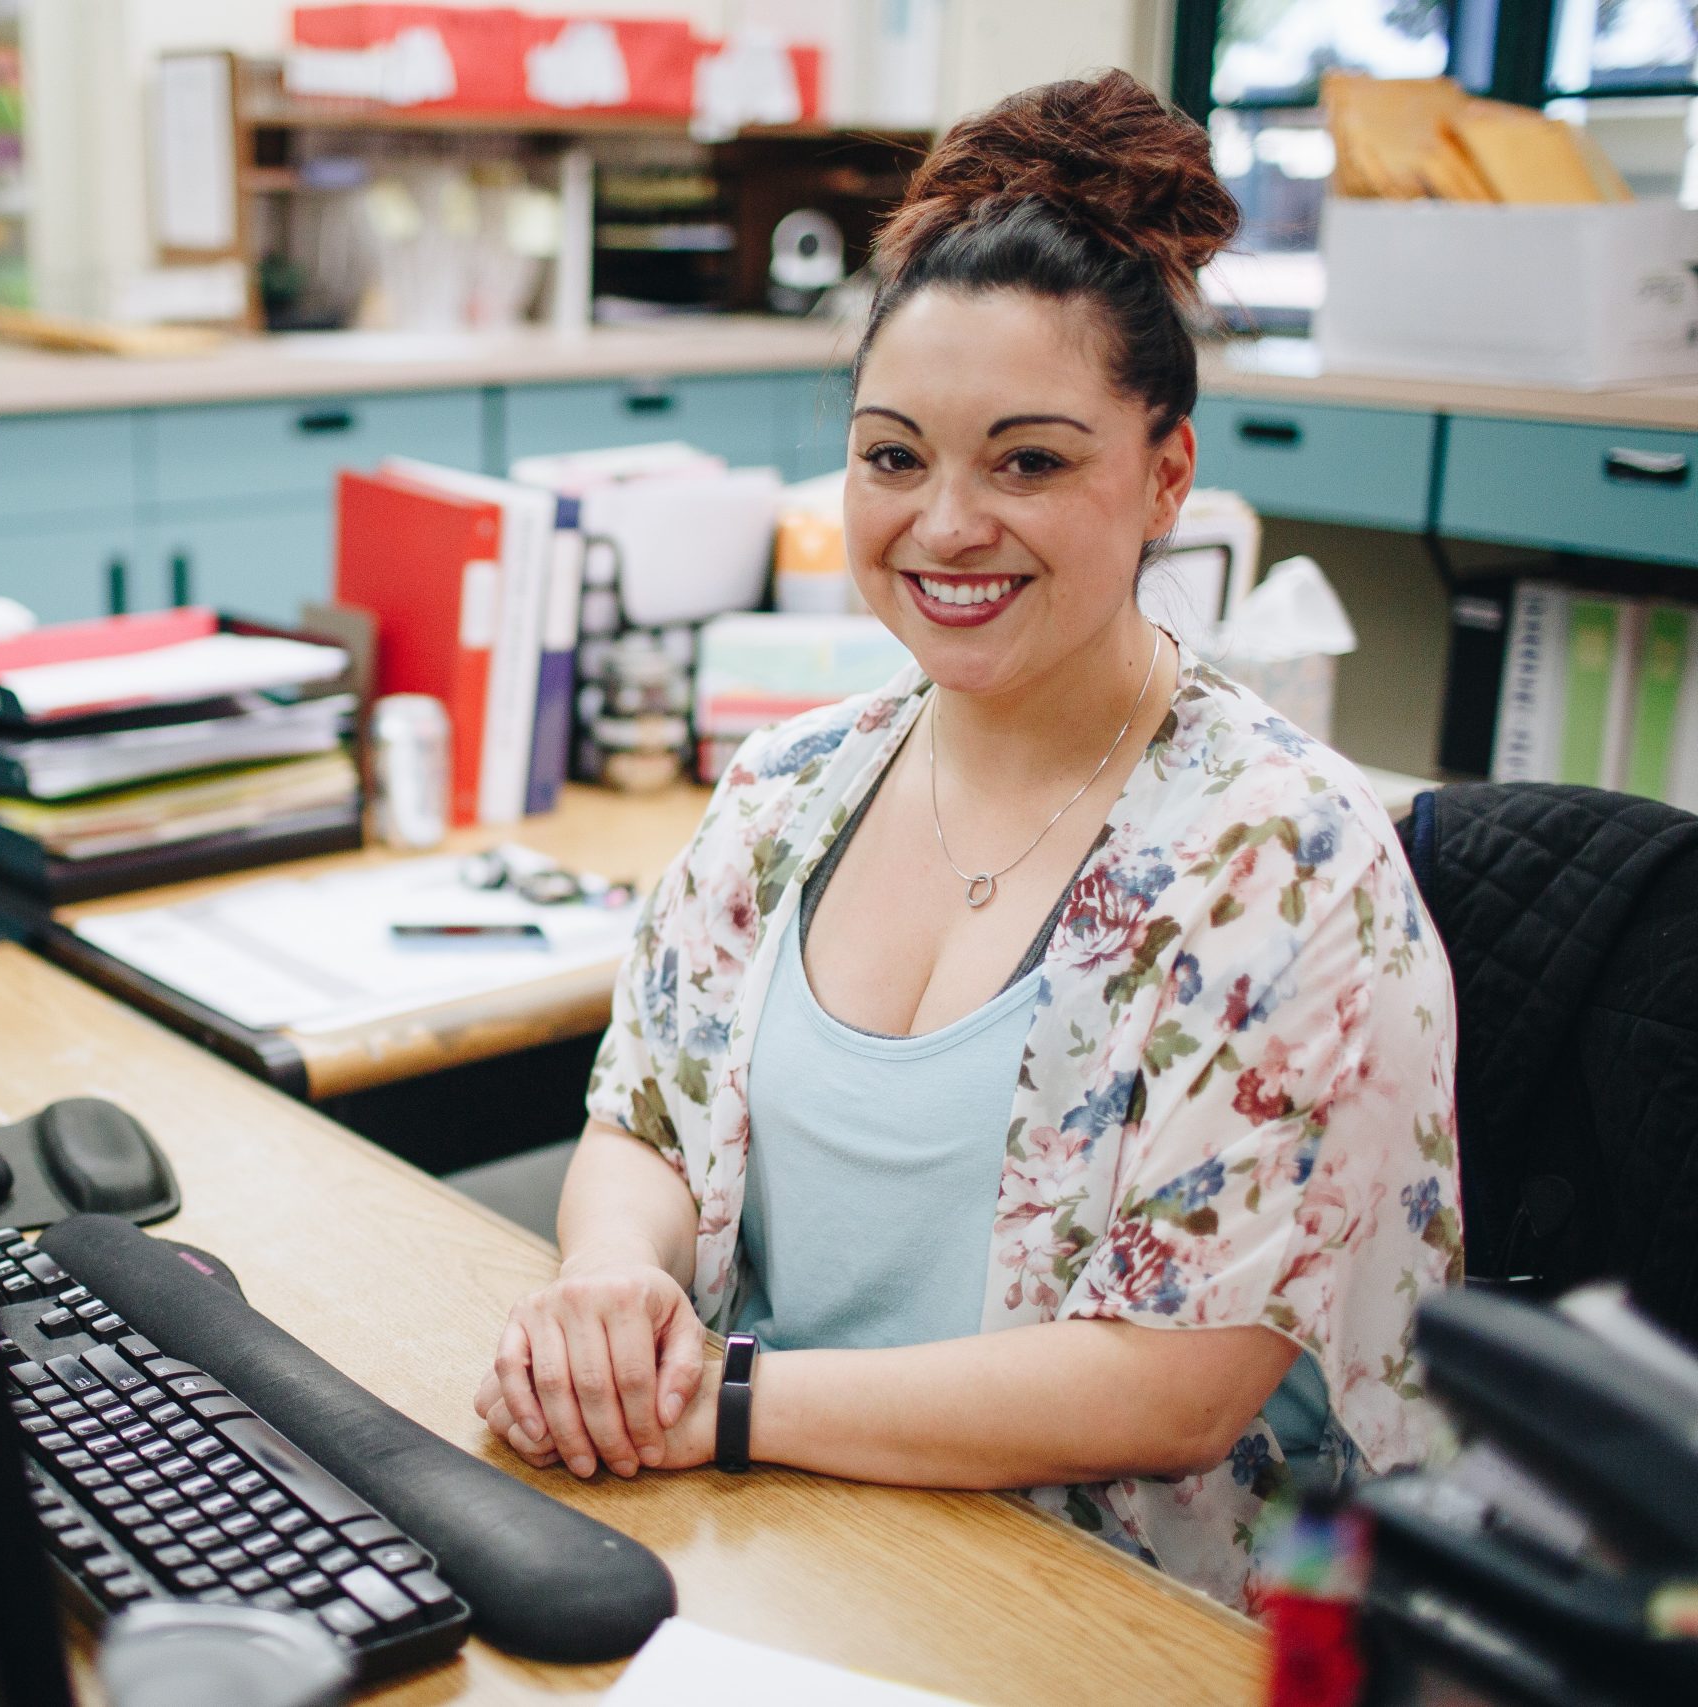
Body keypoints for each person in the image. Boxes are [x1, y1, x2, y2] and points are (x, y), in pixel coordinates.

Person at [472, 70, 1463, 1610]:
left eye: (1030, 461)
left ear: (1165, 477)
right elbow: (645, 1122)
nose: (943, 525)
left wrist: (719, 1406)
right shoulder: (790, 786)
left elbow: (1178, 1384)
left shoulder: (1282, 860)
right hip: (786, 1555)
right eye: (892, 455)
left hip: (1127, 1625)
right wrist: (610, 1275)